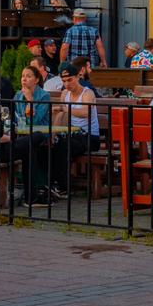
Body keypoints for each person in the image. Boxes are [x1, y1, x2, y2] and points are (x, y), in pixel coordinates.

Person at [52, 62, 100, 194]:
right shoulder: (64, 94)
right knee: (52, 144)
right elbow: (61, 116)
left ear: (78, 77)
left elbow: (86, 112)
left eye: (70, 80)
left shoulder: (87, 93)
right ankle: (52, 183)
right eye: (64, 81)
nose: (67, 84)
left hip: (90, 137)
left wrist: (64, 108)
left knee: (63, 146)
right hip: (73, 135)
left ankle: (63, 187)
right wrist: (53, 133)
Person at [12, 65, 52, 206]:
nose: (24, 79)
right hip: (23, 134)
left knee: (30, 145)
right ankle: (32, 192)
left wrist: (30, 100)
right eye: (23, 76)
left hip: (42, 134)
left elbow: (35, 121)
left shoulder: (44, 96)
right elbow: (17, 119)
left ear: (36, 80)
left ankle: (35, 189)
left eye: (28, 76)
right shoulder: (18, 95)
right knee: (26, 147)